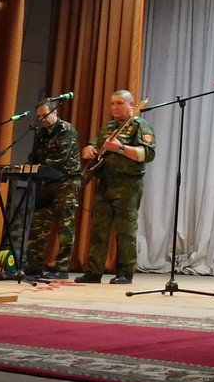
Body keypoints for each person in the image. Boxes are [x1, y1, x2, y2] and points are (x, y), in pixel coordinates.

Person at [75, 90, 155, 285]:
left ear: (132, 105)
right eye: (112, 103)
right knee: (99, 229)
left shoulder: (140, 126)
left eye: (120, 103)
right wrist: (88, 149)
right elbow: (95, 145)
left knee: (126, 230)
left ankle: (125, 273)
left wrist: (120, 148)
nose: (115, 107)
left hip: (128, 185)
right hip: (106, 184)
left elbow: (147, 154)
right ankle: (94, 272)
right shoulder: (109, 127)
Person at [24, 98, 81, 280]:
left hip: (66, 181)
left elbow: (60, 159)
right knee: (38, 224)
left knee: (65, 226)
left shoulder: (66, 130)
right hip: (47, 182)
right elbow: (35, 156)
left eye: (45, 115)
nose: (42, 119)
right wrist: (30, 165)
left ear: (55, 112)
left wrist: (38, 167)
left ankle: (61, 269)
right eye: (39, 116)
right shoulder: (41, 132)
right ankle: (33, 267)